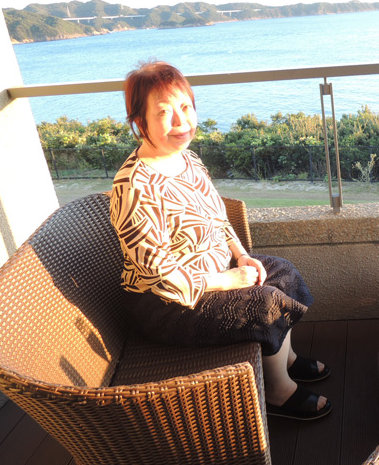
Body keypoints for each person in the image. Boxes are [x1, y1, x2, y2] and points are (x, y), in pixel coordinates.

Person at [109, 60, 330, 420]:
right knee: (265, 301)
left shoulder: (187, 160)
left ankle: (285, 360)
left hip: (217, 273)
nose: (180, 121)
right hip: (166, 305)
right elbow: (160, 277)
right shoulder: (135, 187)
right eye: (164, 112)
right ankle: (277, 392)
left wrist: (241, 256)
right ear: (139, 122)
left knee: (283, 273)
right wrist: (228, 280)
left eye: (185, 107)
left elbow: (218, 217)